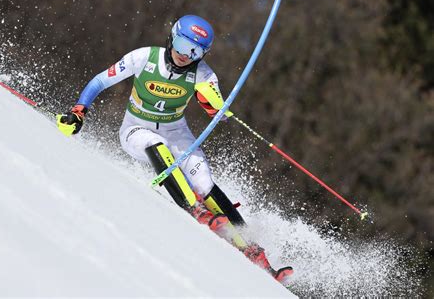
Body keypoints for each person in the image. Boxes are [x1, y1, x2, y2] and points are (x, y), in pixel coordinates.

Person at [57, 15, 292, 281]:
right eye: (181, 44)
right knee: (154, 144)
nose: (184, 55)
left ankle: (253, 250)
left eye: (195, 51)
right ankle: (194, 208)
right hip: (136, 128)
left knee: (204, 182)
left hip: (176, 132)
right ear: (171, 37)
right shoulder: (145, 57)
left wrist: (216, 103)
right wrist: (79, 111)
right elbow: (101, 81)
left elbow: (216, 112)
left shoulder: (202, 74)